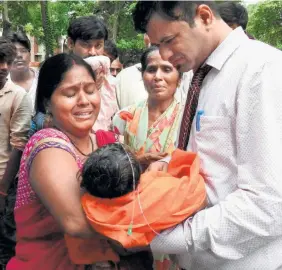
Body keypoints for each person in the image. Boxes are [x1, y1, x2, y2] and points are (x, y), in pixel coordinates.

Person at [133, 1, 282, 269]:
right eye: (157, 45)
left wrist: (172, 238)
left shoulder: (261, 70)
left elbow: (270, 203)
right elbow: (209, 160)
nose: (165, 55)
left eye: (169, 40)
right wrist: (167, 166)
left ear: (204, 16)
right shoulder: (197, 74)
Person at [7, 53, 152, 270]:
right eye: (70, 93)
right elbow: (76, 223)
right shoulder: (48, 145)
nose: (84, 100)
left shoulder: (107, 140)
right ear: (47, 101)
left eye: (90, 90)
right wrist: (156, 219)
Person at [65, 143, 206, 265]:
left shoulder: (91, 207)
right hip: (164, 253)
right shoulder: (156, 190)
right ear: (138, 175)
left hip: (114, 257)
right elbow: (197, 193)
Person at [113, 46, 182, 171]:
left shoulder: (187, 119)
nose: (157, 77)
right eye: (151, 70)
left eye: (166, 69)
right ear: (142, 75)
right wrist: (137, 161)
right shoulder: (123, 117)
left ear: (180, 78)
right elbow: (111, 162)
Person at [0, 37, 32, 269]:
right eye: (0, 61)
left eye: (7, 62)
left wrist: (2, 191)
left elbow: (19, 145)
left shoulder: (19, 96)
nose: (4, 67)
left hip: (5, 183)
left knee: (7, 243)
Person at [7, 31, 38, 109]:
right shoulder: (3, 84)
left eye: (23, 51)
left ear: (30, 55)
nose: (19, 55)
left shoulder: (43, 79)